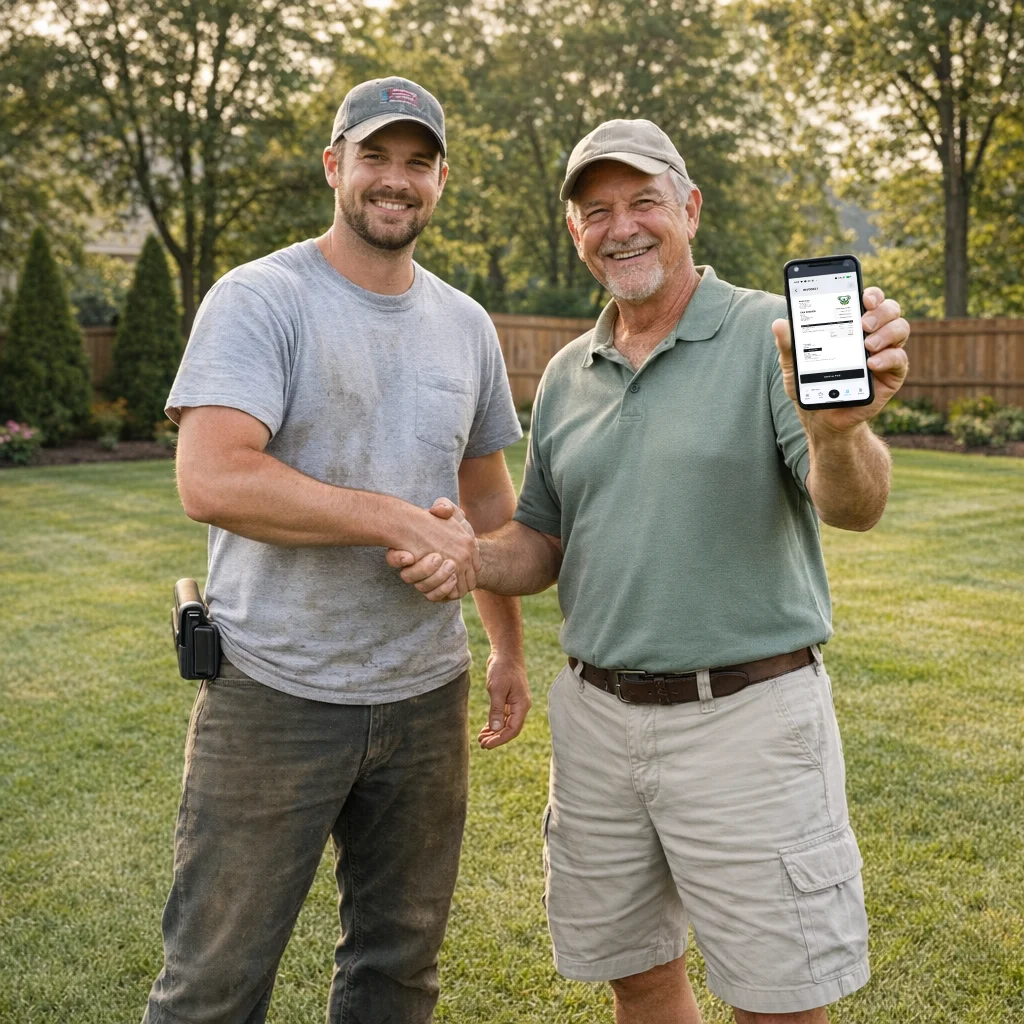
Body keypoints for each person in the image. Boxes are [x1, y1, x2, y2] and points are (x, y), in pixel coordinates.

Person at [389, 119, 910, 1023]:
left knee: (779, 999)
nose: (621, 226)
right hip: (597, 725)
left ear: (689, 209)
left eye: (643, 203)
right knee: (637, 974)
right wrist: (471, 555)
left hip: (746, 719)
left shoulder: (768, 335)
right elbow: (542, 545)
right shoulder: (565, 374)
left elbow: (853, 505)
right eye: (597, 211)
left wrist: (837, 430)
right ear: (575, 233)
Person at [143, 76, 529, 1024]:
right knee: (214, 982)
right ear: (335, 166)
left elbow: (484, 503)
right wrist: (395, 521)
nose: (395, 181)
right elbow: (215, 478)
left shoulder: (466, 325)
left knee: (397, 970)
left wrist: (508, 648)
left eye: (417, 163)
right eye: (376, 158)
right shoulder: (262, 298)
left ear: (440, 180)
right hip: (274, 693)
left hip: (424, 697)